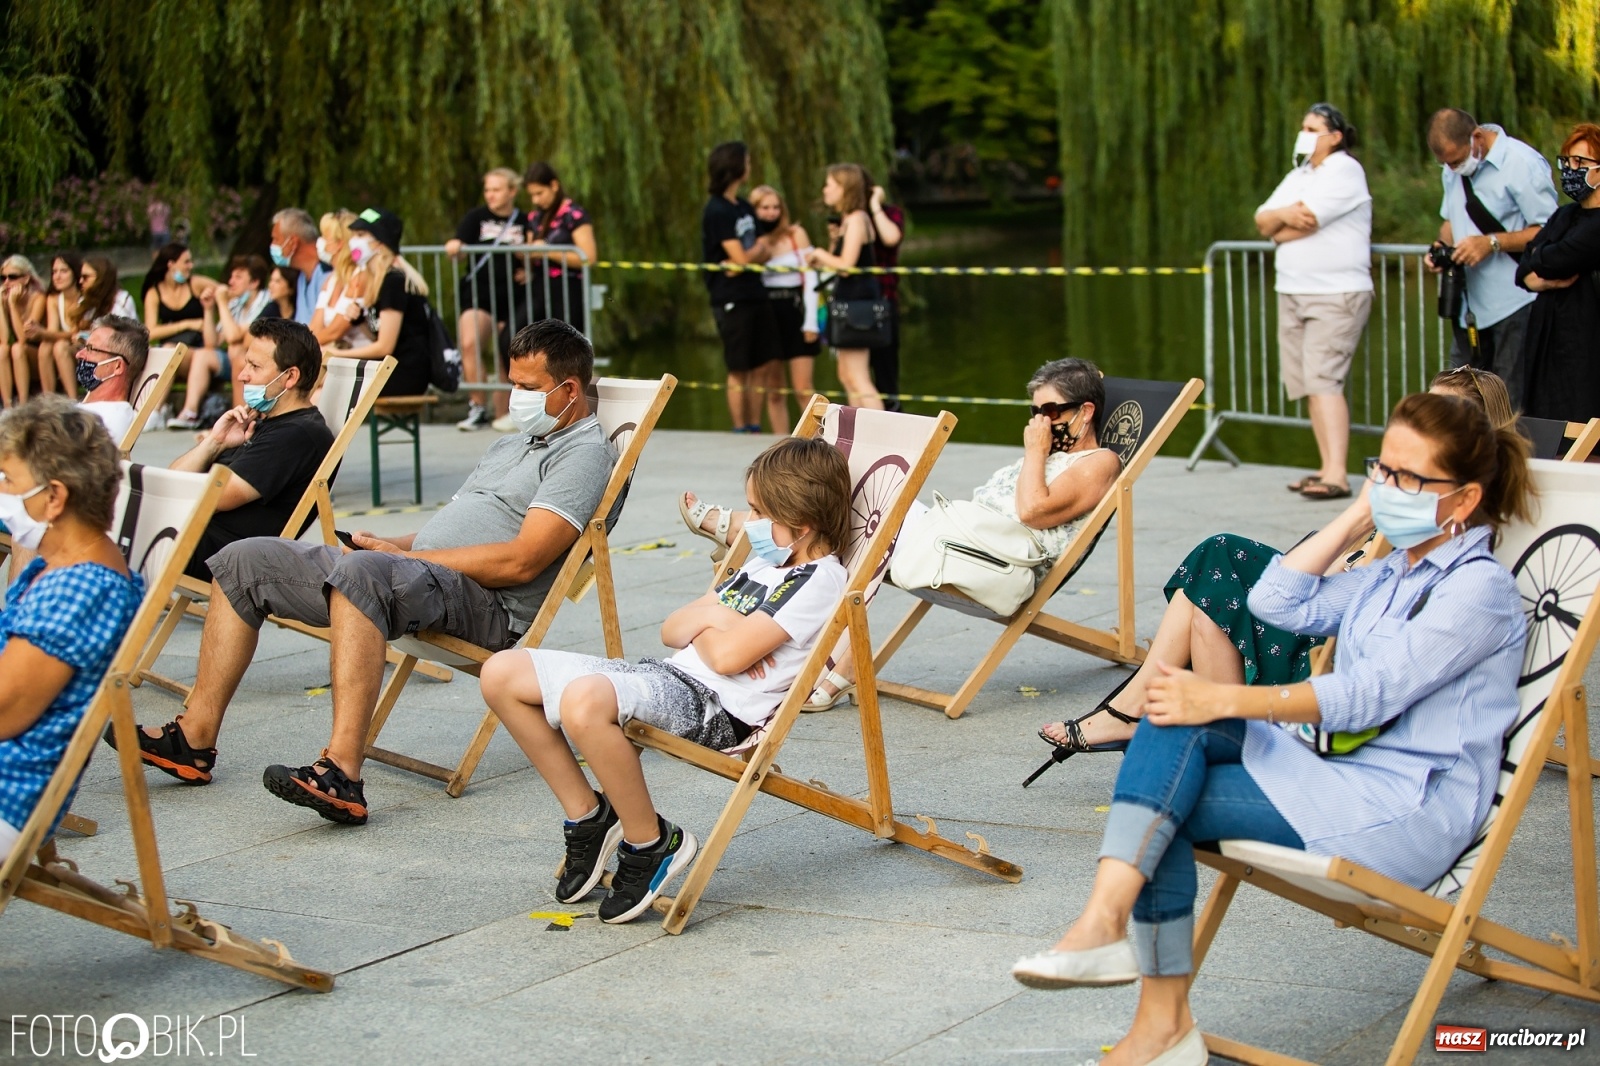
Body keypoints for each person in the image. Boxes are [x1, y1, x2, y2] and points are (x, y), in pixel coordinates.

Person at [1011, 392, 1533, 1066]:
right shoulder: (1391, 574)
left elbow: (1364, 698)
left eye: (1408, 479)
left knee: (1167, 784)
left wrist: (1221, 698)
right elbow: (1274, 601)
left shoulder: (1476, 591)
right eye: (1382, 469)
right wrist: (1354, 514)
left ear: (1462, 502)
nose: (1387, 489)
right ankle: (1116, 947)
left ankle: (1149, 1006)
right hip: (1337, 776)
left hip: (1403, 810)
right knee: (1171, 726)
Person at [117, 320, 617, 827]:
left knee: (363, 575)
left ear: (569, 390)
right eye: (511, 383)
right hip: (417, 575)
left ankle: (342, 773)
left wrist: (398, 560)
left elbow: (522, 560)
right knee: (243, 560)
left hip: (485, 605)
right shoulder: (514, 445)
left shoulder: (582, 456)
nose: (513, 397)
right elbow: (449, 531)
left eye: (527, 388)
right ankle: (193, 740)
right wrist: (389, 545)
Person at [1034, 367, 1518, 767]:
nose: (1430, 426)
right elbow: (1306, 585)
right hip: (1327, 598)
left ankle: (1158, 714)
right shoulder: (1408, 490)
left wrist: (1361, 539)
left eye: (1447, 416)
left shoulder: (1459, 525)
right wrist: (1358, 522)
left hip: (1333, 638)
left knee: (1217, 565)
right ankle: (1209, 732)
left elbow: (1389, 625)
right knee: (1207, 587)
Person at [479, 435, 851, 923]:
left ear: (801, 526)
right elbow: (673, 629)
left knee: (585, 701)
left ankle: (651, 842)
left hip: (719, 711)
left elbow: (726, 658)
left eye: (759, 513)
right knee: (501, 672)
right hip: (671, 677)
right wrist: (722, 624)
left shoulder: (817, 581)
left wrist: (716, 623)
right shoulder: (767, 562)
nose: (749, 523)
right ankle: (590, 816)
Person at [683, 357, 1122, 711]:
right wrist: (1039, 453)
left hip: (1002, 568)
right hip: (965, 546)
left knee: (879, 505)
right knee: (874, 498)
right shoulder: (1046, 452)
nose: (1041, 423)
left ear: (1085, 411)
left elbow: (1033, 510)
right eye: (1035, 413)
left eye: (1050, 412)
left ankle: (752, 530)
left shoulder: (1099, 463)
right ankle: (767, 536)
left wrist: (1035, 452)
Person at [0, 395, 143, 861]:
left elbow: (6, 711)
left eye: (9, 480)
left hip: (10, 797)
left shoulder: (79, 590)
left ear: (55, 496)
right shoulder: (57, 566)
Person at [1254, 103, 1373, 501]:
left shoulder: (1345, 170)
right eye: (1301, 126)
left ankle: (1338, 474)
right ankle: (1325, 465)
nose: (1302, 132)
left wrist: (1280, 227)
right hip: (1293, 289)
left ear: (1335, 135)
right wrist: (1282, 219)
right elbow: (1262, 220)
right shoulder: (1300, 173)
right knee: (1308, 382)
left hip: (1334, 291)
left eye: (1311, 127)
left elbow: (1303, 221)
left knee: (1324, 379)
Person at [166, 318, 333, 582]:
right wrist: (215, 443)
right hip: (192, 536)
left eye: (254, 366)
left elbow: (212, 499)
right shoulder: (263, 422)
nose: (242, 375)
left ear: (290, 376)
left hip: (223, 556)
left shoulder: (296, 435)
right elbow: (173, 479)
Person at [1425, 108, 1559, 409]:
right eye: (1446, 164)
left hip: (1515, 301)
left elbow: (1550, 230)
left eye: (1457, 160)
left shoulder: (1522, 163)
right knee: (1454, 399)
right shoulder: (1453, 168)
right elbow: (1450, 219)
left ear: (1476, 137)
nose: (1453, 167)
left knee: (1507, 403)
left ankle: (1507, 456)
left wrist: (1492, 243)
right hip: (1468, 304)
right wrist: (1439, 247)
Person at [496, 163, 597, 433]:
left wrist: (547, 250)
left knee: (566, 351)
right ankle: (523, 402)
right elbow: (533, 252)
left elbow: (587, 256)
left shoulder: (574, 214)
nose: (536, 200)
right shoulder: (535, 218)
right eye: (532, 195)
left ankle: (570, 410)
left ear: (554, 186)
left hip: (566, 286)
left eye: (540, 193)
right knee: (511, 338)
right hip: (539, 286)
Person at [1517, 123, 1600, 425]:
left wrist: (1541, 262)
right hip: (1547, 343)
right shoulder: (1565, 214)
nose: (1570, 169)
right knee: (1542, 424)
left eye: (1580, 162)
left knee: (1580, 427)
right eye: (1566, 161)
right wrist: (1542, 270)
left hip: (1584, 345)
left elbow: (1555, 258)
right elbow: (1525, 268)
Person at [702, 141, 781, 433]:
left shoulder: (745, 206)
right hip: (730, 297)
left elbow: (764, 249)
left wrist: (748, 259)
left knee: (760, 365)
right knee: (738, 366)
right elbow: (741, 255)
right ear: (735, 166)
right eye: (747, 161)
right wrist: (748, 258)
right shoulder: (717, 210)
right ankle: (739, 427)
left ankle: (755, 424)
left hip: (755, 293)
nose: (750, 166)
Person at [447, 167, 526, 431]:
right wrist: (455, 248)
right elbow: (458, 247)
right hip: (480, 292)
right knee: (469, 344)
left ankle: (502, 414)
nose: (490, 195)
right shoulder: (476, 218)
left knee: (507, 353)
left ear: (512, 191)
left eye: (496, 189)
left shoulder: (524, 220)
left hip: (513, 295)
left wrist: (528, 267)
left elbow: (536, 253)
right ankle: (477, 406)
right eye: (487, 189)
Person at [324, 208, 434, 396]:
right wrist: (359, 321)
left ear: (379, 242)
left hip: (405, 373)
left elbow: (385, 346)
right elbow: (377, 335)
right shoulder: (379, 280)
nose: (353, 241)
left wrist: (335, 355)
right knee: (324, 381)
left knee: (329, 385)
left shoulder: (394, 281)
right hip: (389, 369)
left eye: (360, 235)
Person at [806, 163, 885, 411]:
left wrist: (817, 252)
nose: (825, 190)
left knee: (859, 377)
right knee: (847, 375)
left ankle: (877, 432)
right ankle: (857, 430)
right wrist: (832, 241)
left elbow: (847, 265)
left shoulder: (857, 219)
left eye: (830, 184)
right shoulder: (848, 221)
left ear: (844, 188)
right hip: (847, 299)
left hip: (857, 301)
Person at [751, 184, 819, 435]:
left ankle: (816, 443)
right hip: (768, 312)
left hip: (796, 309)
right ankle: (783, 445)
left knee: (803, 388)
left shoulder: (795, 233)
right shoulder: (753, 242)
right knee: (775, 390)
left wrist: (811, 321)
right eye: (764, 207)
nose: (771, 213)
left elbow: (811, 276)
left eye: (775, 207)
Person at [141, 243, 221, 430]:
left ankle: (156, 411)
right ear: (171, 264)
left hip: (198, 352)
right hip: (173, 354)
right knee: (169, 350)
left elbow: (228, 293)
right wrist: (187, 324)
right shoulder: (154, 292)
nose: (190, 266)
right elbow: (150, 331)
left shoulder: (196, 284)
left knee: (169, 351)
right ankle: (156, 411)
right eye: (186, 262)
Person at [75, 315, 150, 443]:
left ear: (117, 366)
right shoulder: (87, 413)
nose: (79, 354)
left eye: (90, 349)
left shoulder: (111, 419)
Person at [865, 179, 906, 410]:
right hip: (855, 304)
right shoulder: (849, 217)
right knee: (856, 375)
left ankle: (891, 415)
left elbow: (891, 238)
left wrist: (874, 207)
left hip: (884, 301)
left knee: (886, 370)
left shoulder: (889, 213)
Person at [210, 255, 273, 406]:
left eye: (238, 277)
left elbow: (232, 336)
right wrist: (208, 309)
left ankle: (238, 411)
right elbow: (213, 342)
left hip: (259, 360)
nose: (231, 282)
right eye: (231, 276)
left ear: (254, 282)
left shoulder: (266, 301)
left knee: (235, 349)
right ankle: (189, 413)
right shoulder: (236, 303)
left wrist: (221, 302)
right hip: (235, 361)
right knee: (202, 356)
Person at [310, 209, 374, 350]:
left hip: (357, 361)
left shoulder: (359, 277)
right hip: (333, 357)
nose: (319, 242)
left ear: (339, 243)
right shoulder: (331, 279)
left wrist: (302, 346)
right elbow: (314, 327)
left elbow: (334, 332)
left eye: (324, 237)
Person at [32, 252, 85, 397]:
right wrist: (42, 333)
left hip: (86, 343)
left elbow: (76, 333)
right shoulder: (54, 299)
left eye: (63, 271)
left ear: (75, 273)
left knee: (60, 346)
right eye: (54, 272)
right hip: (70, 344)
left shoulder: (85, 296)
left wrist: (41, 332)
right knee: (45, 346)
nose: (57, 276)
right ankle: (49, 399)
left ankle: (73, 399)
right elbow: (53, 331)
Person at [267, 207, 329, 326]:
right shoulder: (302, 277)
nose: (272, 245)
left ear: (293, 242)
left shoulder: (326, 273)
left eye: (275, 239)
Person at [2, 256, 47, 407]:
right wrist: (2, 307)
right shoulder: (6, 299)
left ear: (26, 278)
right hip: (18, 356)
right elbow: (4, 339)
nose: (7, 282)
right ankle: (7, 405)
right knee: (2, 350)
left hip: (39, 354)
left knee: (17, 348)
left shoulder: (38, 298)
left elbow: (23, 338)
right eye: (3, 278)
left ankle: (22, 403)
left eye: (12, 277)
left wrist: (13, 306)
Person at [76, 257, 140, 325]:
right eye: (80, 277)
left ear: (101, 278)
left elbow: (122, 333)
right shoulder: (83, 301)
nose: (80, 281)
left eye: (85, 277)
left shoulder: (121, 302)